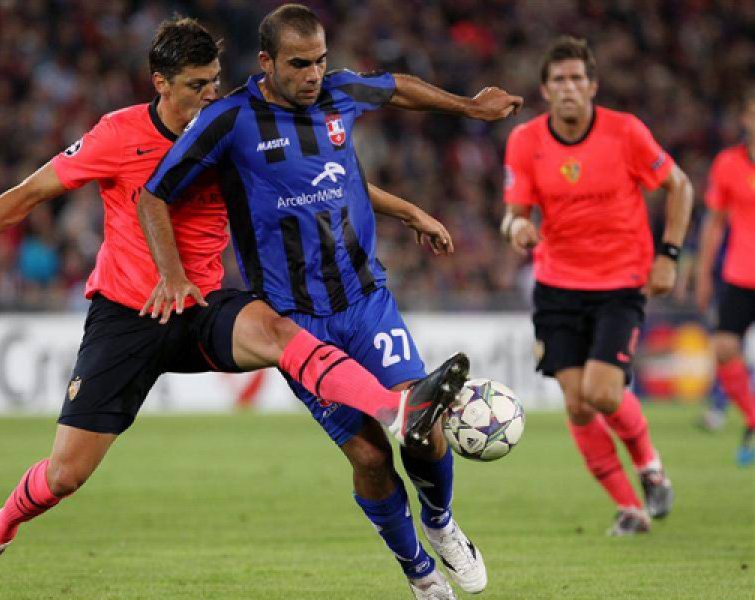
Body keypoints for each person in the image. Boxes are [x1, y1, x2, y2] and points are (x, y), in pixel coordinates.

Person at [0, 18, 468, 598]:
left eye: (215, 81)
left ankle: (398, 409)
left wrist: (407, 211)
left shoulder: (226, 129)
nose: (209, 95)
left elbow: (324, 175)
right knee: (66, 474)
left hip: (198, 305)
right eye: (196, 85)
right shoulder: (117, 135)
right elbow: (33, 191)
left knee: (274, 328)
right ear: (160, 84)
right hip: (127, 317)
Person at [139, 5, 523, 598]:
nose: (314, 73)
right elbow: (154, 194)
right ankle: (419, 571)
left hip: (366, 300)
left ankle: (443, 523)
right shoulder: (229, 119)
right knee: (370, 457)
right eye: (299, 64)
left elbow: (398, 90)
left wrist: (468, 107)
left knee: (421, 424)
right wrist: (170, 274)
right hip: (296, 326)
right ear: (266, 62)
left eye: (320, 60)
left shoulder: (340, 93)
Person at [501, 36, 692, 536]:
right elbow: (514, 214)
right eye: (559, 79)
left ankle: (650, 467)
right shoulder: (525, 141)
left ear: (593, 86)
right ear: (545, 89)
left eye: (577, 79)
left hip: (620, 281)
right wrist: (517, 229)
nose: (569, 88)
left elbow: (680, 186)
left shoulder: (625, 132)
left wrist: (669, 256)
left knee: (603, 394)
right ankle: (631, 508)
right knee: (577, 402)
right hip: (556, 284)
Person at [694, 88, 755, 466]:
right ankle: (752, 417)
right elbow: (714, 223)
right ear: (746, 120)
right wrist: (703, 273)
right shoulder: (728, 164)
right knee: (724, 349)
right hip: (739, 273)